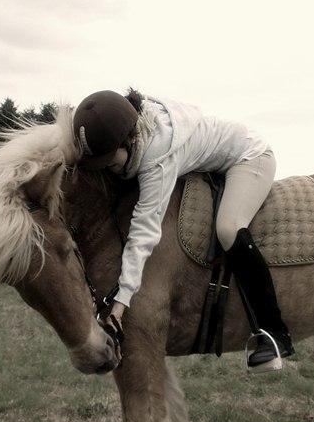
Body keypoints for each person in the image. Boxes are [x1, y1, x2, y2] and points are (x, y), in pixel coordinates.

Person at [73, 89, 293, 371]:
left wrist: (119, 306)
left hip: (250, 157)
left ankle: (274, 332)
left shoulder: (156, 159)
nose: (109, 170)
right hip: (215, 157)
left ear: (129, 140)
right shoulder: (130, 123)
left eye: (110, 162)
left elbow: (143, 234)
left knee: (228, 229)